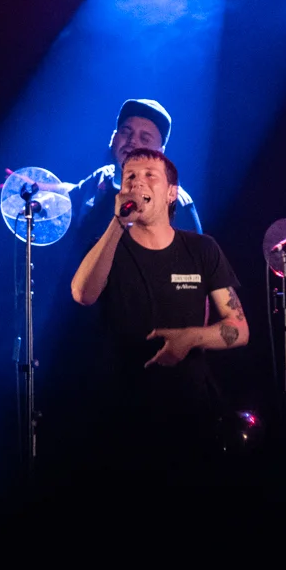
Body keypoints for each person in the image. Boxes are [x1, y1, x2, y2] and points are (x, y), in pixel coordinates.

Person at [70, 147, 247, 459]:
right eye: (130, 177)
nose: (137, 183)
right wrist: (117, 224)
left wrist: (190, 338)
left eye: (150, 176)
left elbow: (239, 329)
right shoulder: (106, 247)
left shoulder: (202, 249)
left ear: (171, 193)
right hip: (121, 415)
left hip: (190, 414)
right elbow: (83, 294)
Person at [68, 99, 203, 234]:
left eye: (144, 138)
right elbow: (65, 199)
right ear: (113, 138)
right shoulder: (99, 179)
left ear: (160, 153)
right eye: (126, 132)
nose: (132, 141)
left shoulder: (174, 205)